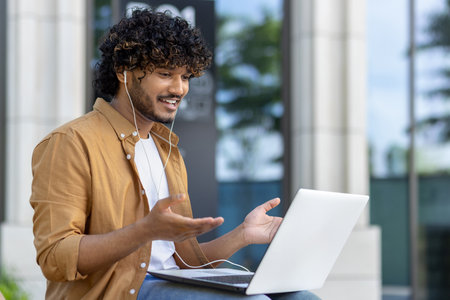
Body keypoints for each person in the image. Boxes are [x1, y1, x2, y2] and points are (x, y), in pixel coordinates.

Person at [30, 9, 320, 300]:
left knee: (301, 297)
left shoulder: (166, 149)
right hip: (119, 294)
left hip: (169, 286)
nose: (179, 89)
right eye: (165, 74)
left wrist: (243, 235)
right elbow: (54, 257)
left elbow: (184, 264)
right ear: (123, 72)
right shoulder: (70, 142)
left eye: (185, 76)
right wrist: (143, 231)